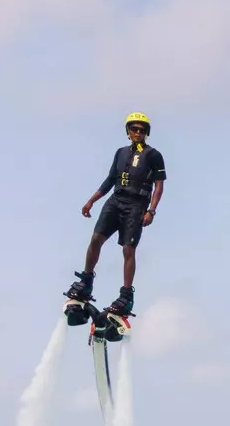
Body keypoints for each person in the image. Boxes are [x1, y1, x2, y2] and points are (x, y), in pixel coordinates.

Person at [67, 113, 166, 329]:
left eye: (141, 129)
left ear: (146, 132)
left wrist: (152, 210)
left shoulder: (154, 155)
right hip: (116, 200)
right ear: (128, 131)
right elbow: (111, 179)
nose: (138, 133)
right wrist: (91, 201)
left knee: (128, 250)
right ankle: (86, 281)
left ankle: (126, 295)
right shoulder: (120, 153)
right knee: (95, 239)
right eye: (134, 129)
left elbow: (159, 185)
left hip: (137, 204)